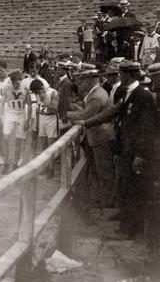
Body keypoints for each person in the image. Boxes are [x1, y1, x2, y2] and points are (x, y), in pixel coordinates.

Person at [79, 61, 157, 239]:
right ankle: (125, 220)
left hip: (136, 149)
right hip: (124, 147)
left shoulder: (142, 96)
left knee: (133, 188)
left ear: (128, 75)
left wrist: (141, 155)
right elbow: (113, 112)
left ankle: (129, 230)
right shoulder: (124, 92)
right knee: (123, 184)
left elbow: (147, 129)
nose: (117, 77)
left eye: (120, 74)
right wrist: (86, 122)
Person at [66, 70, 114, 209]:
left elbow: (86, 115)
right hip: (98, 135)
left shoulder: (96, 96)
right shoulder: (96, 92)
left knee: (103, 171)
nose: (80, 83)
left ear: (91, 80)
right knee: (97, 169)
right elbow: (89, 112)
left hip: (101, 137)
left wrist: (66, 113)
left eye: (83, 79)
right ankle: (99, 200)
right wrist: (77, 108)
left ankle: (106, 204)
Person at [29, 79, 59, 177]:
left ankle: (51, 169)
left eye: (37, 92)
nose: (37, 94)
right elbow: (38, 108)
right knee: (43, 146)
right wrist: (37, 123)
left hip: (51, 118)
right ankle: (46, 167)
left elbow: (55, 107)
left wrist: (45, 100)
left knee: (51, 145)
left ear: (41, 88)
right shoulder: (38, 94)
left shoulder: (53, 92)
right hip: (42, 118)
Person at [2, 71, 28, 172]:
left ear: (21, 81)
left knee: (18, 140)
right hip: (10, 113)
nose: (16, 85)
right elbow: (2, 102)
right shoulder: (7, 88)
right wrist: (1, 116)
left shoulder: (25, 89)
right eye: (14, 83)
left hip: (21, 114)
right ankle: (6, 163)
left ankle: (16, 163)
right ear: (11, 82)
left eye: (18, 83)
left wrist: (28, 119)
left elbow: (29, 105)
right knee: (6, 138)